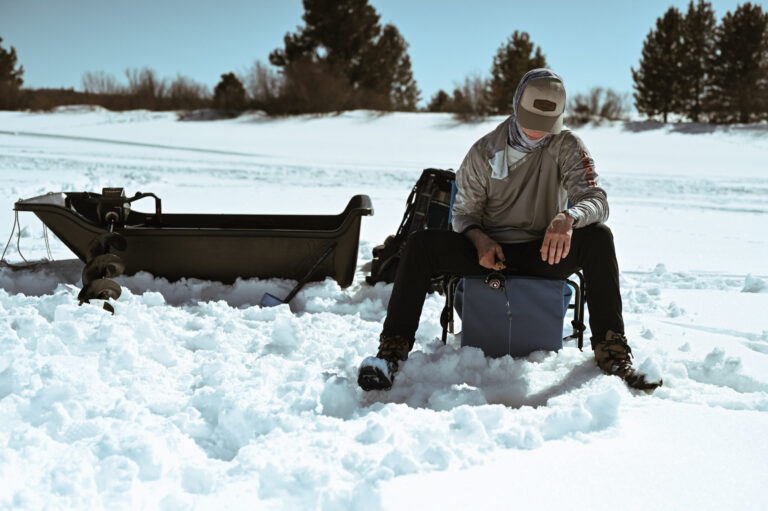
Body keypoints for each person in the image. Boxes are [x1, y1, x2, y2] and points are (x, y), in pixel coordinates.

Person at [358, 68, 658, 392]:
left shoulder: (567, 146)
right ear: (516, 107)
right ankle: (392, 351)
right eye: (530, 121)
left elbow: (596, 199)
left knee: (599, 238)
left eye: (545, 125)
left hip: (544, 252)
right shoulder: (484, 151)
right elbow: (463, 214)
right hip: (489, 254)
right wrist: (479, 239)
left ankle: (612, 351)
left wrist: (569, 217)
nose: (536, 132)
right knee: (420, 245)